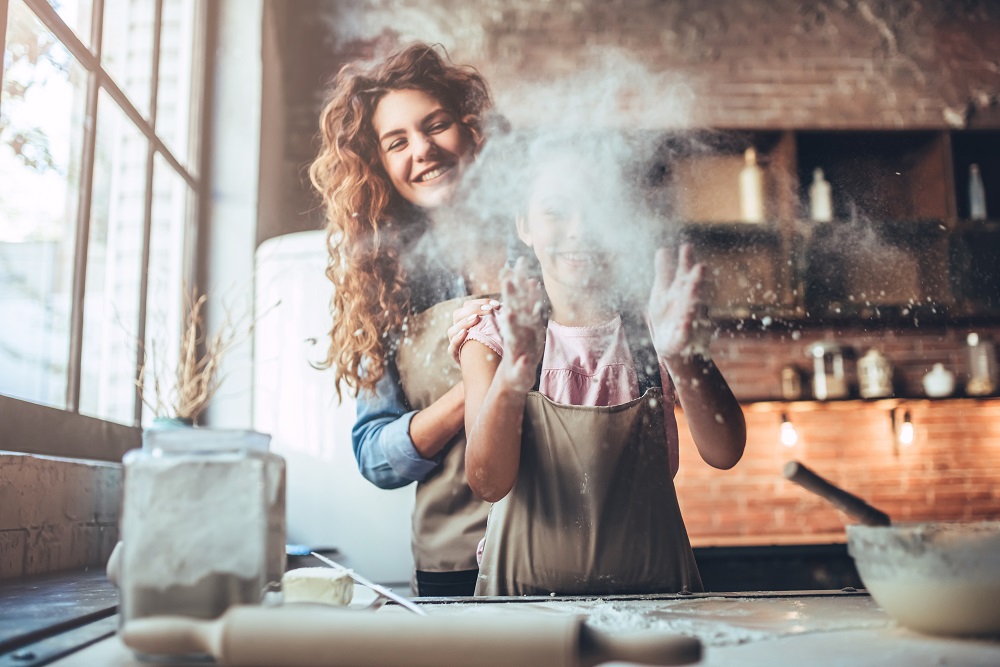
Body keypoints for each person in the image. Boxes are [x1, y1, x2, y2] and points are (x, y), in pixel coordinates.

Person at [458, 134, 747, 596]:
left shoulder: (660, 324)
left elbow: (726, 450)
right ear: (524, 225)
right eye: (556, 210)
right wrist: (515, 374)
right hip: (521, 615)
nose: (579, 230)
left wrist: (683, 356)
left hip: (656, 602)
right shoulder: (495, 337)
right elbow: (488, 482)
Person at [309, 42, 506, 596]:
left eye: (435, 124)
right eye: (397, 142)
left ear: (469, 129)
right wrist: (474, 392)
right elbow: (375, 456)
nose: (422, 149)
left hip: (572, 547)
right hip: (457, 565)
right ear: (379, 164)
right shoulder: (381, 285)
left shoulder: (539, 235)